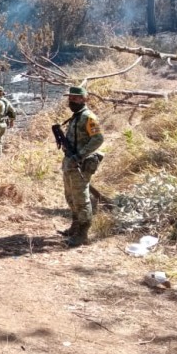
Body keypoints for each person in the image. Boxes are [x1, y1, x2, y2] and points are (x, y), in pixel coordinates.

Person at [60, 86, 104, 247]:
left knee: (81, 198)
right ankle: (75, 225)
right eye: (70, 98)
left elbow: (98, 139)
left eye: (76, 98)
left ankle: (83, 234)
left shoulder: (88, 117)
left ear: (84, 99)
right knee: (70, 195)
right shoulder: (76, 117)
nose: (72, 100)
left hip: (81, 164)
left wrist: (80, 155)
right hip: (70, 162)